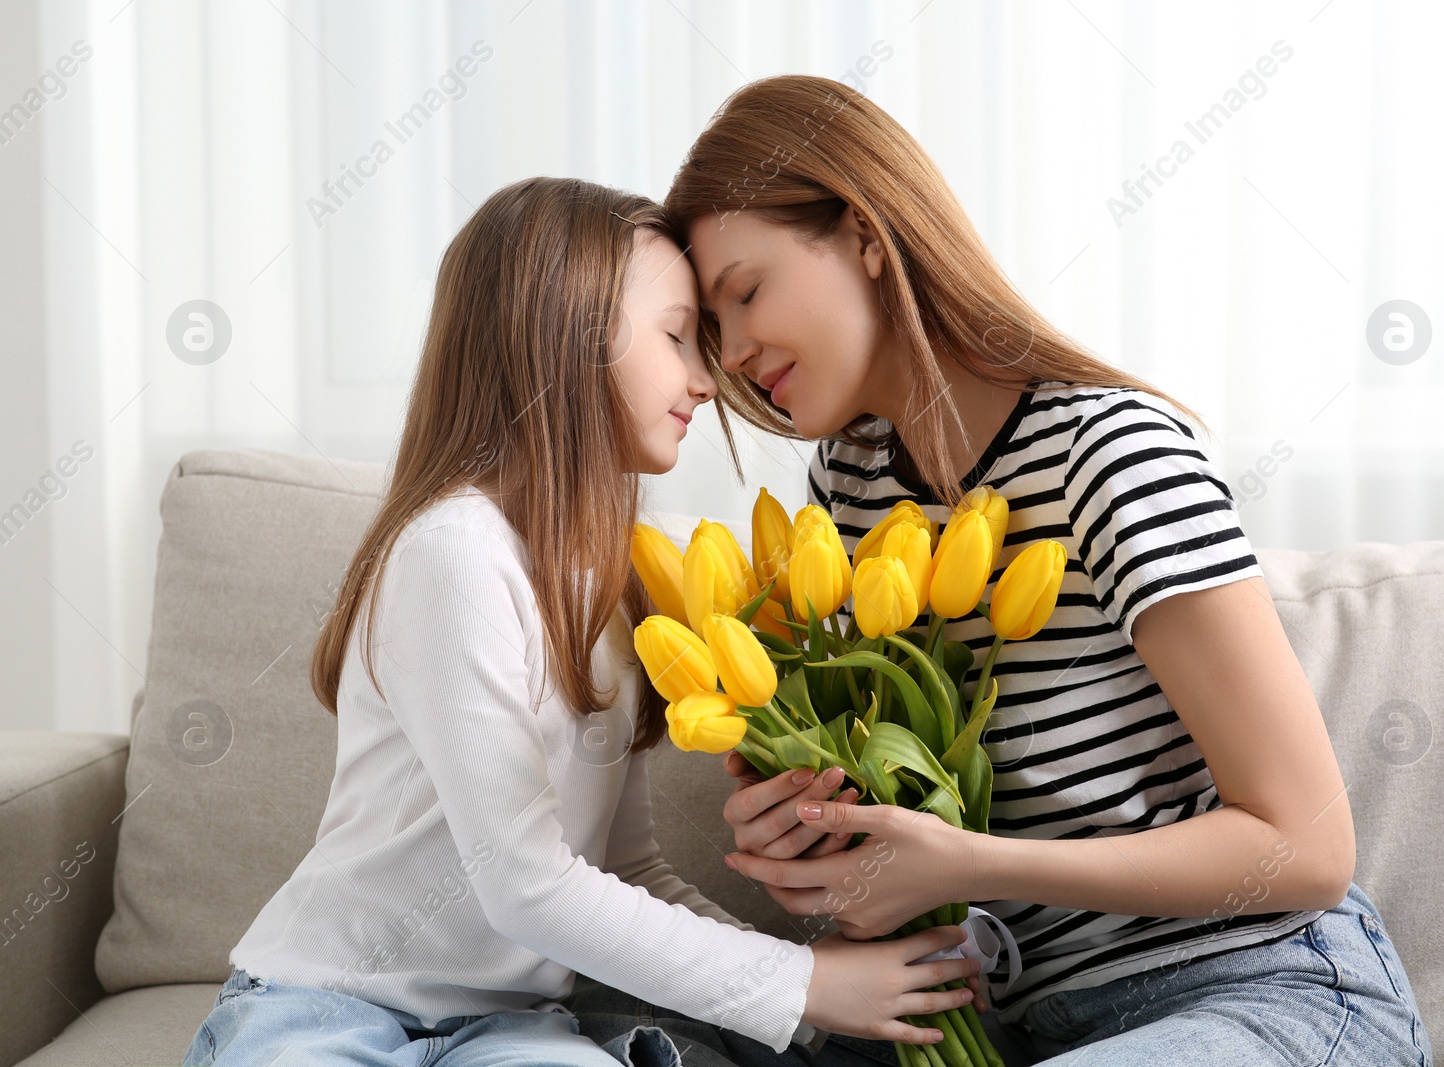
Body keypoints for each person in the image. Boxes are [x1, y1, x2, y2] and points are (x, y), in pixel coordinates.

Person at [659, 75, 1435, 1067]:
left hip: (1260, 992)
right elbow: (921, 819)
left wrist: (970, 861)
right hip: (1011, 1017)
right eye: (708, 330)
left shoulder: (1107, 453)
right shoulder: (848, 488)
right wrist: (819, 840)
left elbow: (1308, 849)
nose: (733, 352)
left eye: (746, 293)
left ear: (861, 233)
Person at [180, 176, 981, 1067]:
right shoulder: (455, 548)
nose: (706, 380)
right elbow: (529, 887)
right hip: (329, 1003)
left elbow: (627, 870)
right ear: (563, 337)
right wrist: (802, 986)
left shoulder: (614, 577)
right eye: (678, 336)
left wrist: (803, 985)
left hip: (510, 1025)